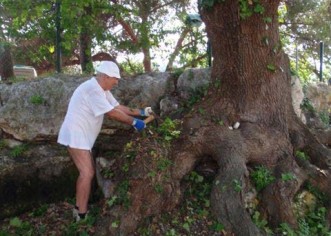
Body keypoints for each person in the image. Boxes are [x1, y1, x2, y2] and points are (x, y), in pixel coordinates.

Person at [57, 61, 153, 221]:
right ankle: (80, 213)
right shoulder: (93, 90)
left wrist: (141, 112)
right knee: (87, 173)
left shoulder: (101, 89)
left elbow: (118, 107)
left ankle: (80, 209)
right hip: (75, 135)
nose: (116, 82)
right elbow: (112, 114)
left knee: (86, 173)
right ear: (106, 76)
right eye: (115, 78)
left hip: (80, 136)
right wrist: (135, 123)